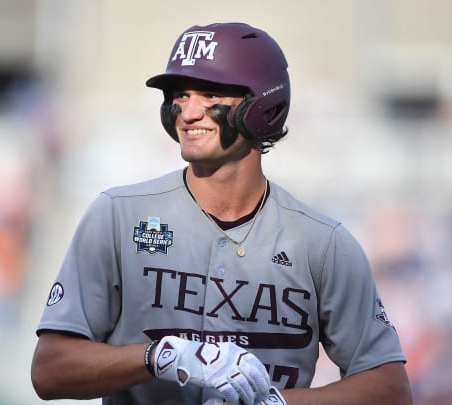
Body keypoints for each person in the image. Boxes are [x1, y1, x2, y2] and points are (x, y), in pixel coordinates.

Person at [31, 22, 412, 404]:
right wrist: (162, 355)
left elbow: (390, 389)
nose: (188, 112)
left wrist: (277, 403)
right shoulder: (119, 216)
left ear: (263, 104)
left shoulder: (322, 242)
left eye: (209, 93)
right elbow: (49, 370)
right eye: (180, 95)